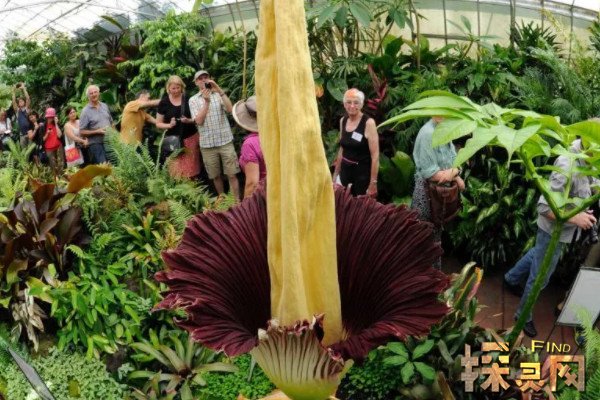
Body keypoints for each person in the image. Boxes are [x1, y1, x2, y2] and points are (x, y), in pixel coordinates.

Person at [504, 138, 598, 338]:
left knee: (537, 253)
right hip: (552, 231)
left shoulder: (589, 157)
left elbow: (593, 183)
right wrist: (577, 218)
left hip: (563, 231)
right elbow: (544, 207)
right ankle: (522, 315)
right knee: (541, 276)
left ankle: (511, 278)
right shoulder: (566, 163)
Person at [411, 116, 465, 269]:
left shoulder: (444, 130)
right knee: (424, 236)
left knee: (435, 235)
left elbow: (456, 161)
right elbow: (432, 174)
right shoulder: (427, 133)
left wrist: (454, 172)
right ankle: (424, 276)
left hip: (439, 194)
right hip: (427, 193)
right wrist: (455, 173)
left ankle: (435, 275)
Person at [189, 70, 240, 200]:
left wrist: (219, 90)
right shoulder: (193, 100)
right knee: (215, 176)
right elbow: (199, 121)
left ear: (210, 79)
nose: (203, 80)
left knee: (232, 174)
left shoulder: (218, 95)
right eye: (200, 78)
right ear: (196, 82)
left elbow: (230, 110)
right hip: (207, 145)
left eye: (205, 77)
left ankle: (236, 203)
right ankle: (222, 201)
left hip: (225, 141)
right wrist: (207, 102)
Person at [332, 88, 379, 197]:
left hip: (362, 176)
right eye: (348, 102)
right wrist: (335, 174)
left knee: (359, 206)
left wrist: (373, 183)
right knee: (343, 204)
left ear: (361, 104)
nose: (352, 106)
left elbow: (375, 156)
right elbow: (342, 149)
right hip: (345, 174)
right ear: (344, 104)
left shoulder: (368, 123)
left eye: (356, 102)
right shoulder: (343, 121)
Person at [155, 75, 199, 179]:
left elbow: (197, 118)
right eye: (173, 88)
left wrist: (188, 120)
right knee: (176, 172)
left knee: (191, 170)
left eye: (178, 88)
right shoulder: (164, 102)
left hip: (190, 139)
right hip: (173, 141)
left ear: (182, 87)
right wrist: (169, 125)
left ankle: (193, 188)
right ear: (168, 88)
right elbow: (158, 123)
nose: (175, 91)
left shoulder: (188, 99)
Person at [232, 96, 266, 199]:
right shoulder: (279, 135)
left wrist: (245, 206)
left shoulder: (250, 144)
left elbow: (252, 184)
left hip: (264, 196)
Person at [79, 85, 113, 164]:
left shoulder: (104, 106)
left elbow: (111, 122)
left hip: (109, 141)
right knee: (103, 166)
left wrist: (115, 135)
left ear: (99, 93)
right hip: (96, 144)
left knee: (113, 165)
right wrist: (97, 131)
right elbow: (82, 132)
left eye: (95, 92)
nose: (94, 94)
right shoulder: (85, 111)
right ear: (88, 96)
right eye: (91, 93)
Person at [42, 107, 64, 174]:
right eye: (49, 117)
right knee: (53, 165)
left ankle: (61, 177)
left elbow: (60, 135)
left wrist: (56, 123)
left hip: (58, 146)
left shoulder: (56, 124)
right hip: (49, 149)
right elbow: (42, 139)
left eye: (52, 117)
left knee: (61, 164)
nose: (50, 118)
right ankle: (55, 178)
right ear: (46, 117)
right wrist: (47, 134)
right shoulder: (43, 126)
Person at [11, 82, 31, 148]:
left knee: (32, 151)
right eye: (19, 101)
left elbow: (28, 98)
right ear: (18, 104)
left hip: (30, 132)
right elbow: (13, 101)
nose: (20, 102)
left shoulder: (27, 109)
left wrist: (24, 89)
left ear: (24, 102)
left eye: (22, 101)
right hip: (22, 134)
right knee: (24, 151)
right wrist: (13, 91)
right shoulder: (17, 111)